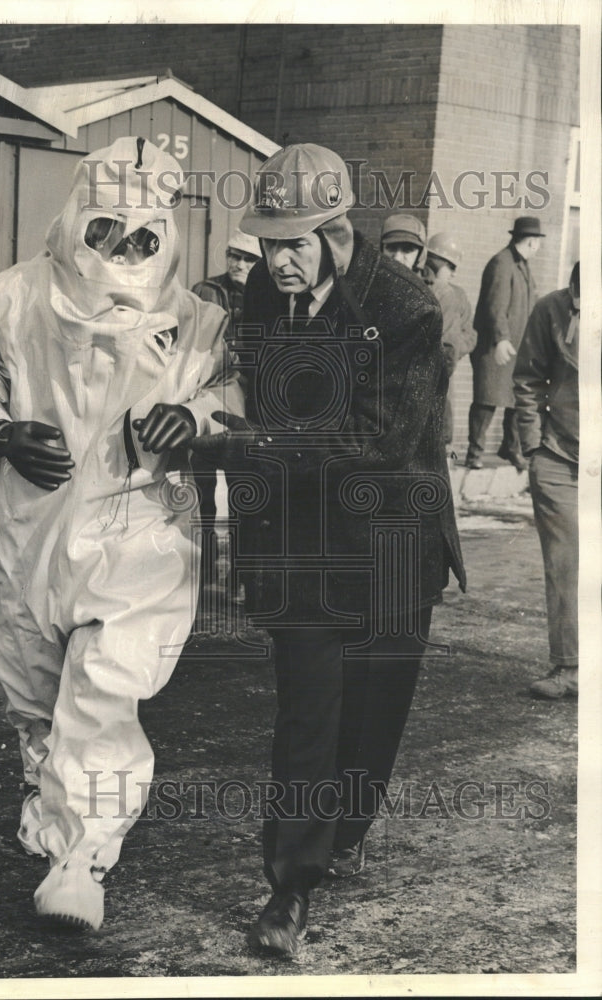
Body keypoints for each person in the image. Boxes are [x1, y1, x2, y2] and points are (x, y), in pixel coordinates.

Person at [0, 137, 244, 932]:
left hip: (137, 527)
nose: (121, 252)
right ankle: (51, 819)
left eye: (142, 238)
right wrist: (1, 431)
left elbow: (227, 390)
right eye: (104, 232)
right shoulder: (9, 297)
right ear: (77, 217)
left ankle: (82, 860)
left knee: (106, 690)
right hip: (27, 530)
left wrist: (198, 418)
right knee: (34, 692)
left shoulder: (196, 320)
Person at [191, 143, 465, 958]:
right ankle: (291, 886)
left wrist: (247, 444)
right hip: (307, 547)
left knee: (370, 729)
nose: (277, 260)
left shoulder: (409, 306)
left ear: (338, 232)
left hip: (392, 546)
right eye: (268, 243)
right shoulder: (261, 297)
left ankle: (342, 835)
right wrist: (250, 551)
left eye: (294, 243)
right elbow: (253, 399)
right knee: (309, 715)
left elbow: (379, 438)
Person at [514, 262, 579, 700]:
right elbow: (528, 379)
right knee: (566, 564)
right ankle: (569, 666)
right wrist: (534, 447)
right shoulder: (549, 310)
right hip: (559, 458)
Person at [190, 230, 261, 602]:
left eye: (249, 259)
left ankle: (241, 575)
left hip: (245, 409)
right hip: (205, 401)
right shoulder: (205, 291)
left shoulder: (268, 298)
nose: (239, 264)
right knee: (201, 492)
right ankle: (199, 573)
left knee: (243, 495)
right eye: (234, 255)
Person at [466, 216, 544, 471]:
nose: (538, 247)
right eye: (537, 242)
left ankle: (510, 449)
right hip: (495, 346)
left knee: (514, 399)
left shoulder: (521, 265)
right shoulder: (502, 263)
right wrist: (501, 339)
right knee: (487, 399)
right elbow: (495, 306)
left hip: (516, 347)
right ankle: (473, 454)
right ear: (531, 242)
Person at [422, 233, 476, 460]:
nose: (454, 273)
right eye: (451, 266)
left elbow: (470, 334)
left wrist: (454, 350)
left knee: (441, 418)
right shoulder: (418, 288)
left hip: (443, 369)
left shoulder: (458, 295)